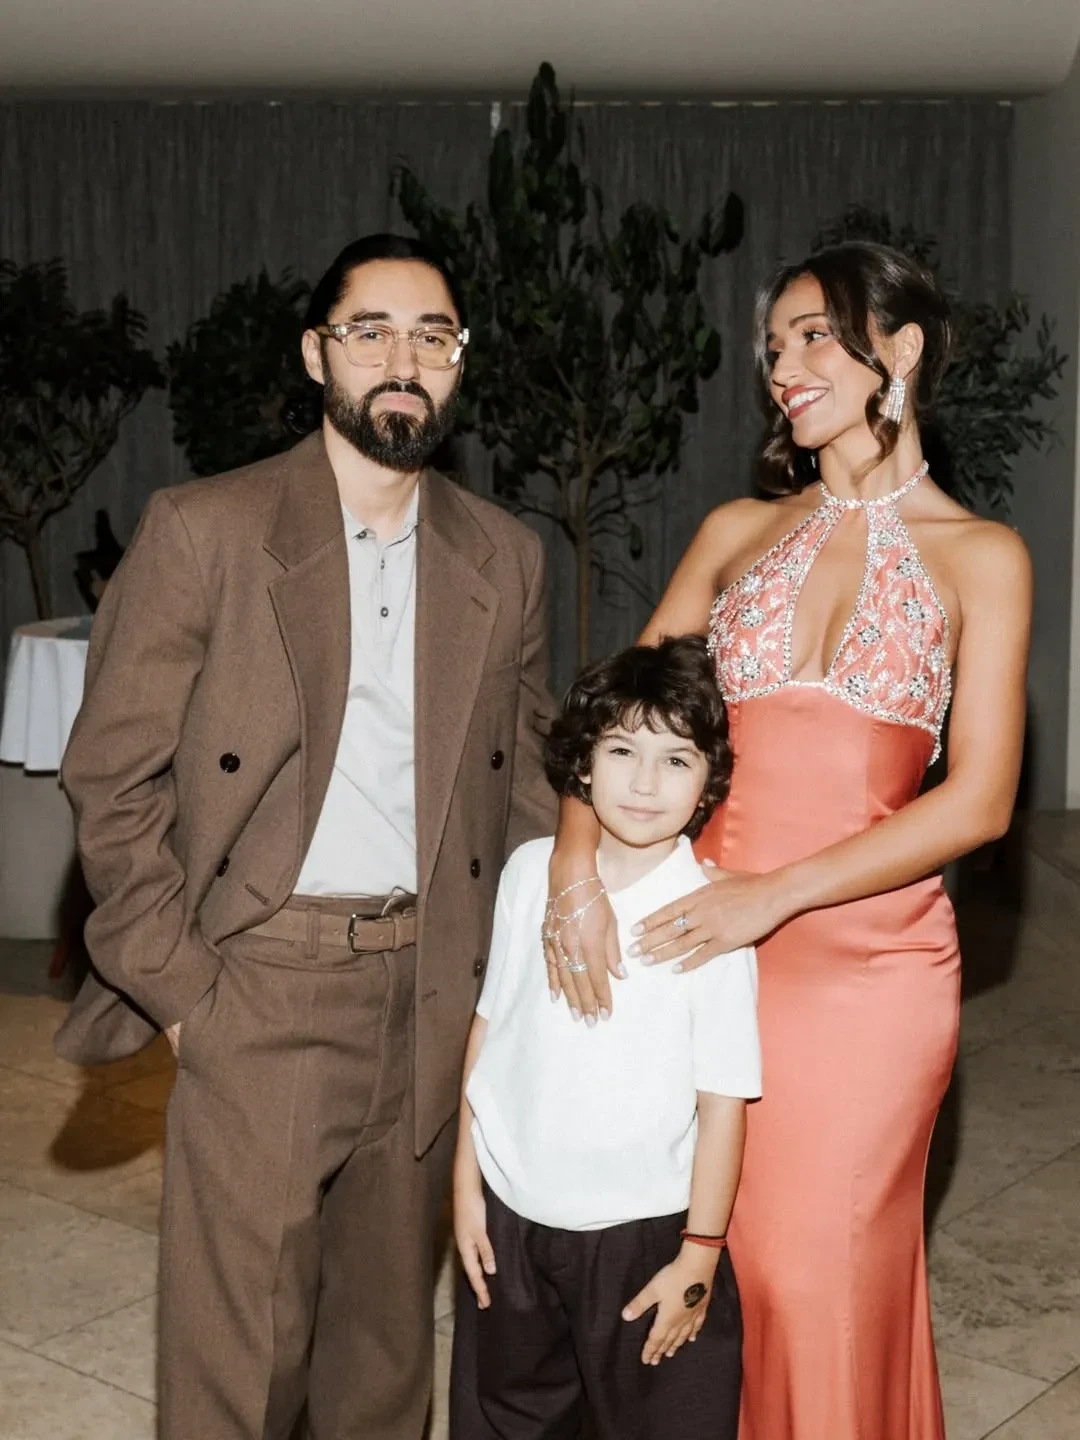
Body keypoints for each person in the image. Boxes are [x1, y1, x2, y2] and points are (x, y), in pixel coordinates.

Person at [55, 233, 557, 1440]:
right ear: (315, 353)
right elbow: (112, 774)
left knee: (384, 1358)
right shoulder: (207, 530)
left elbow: (533, 789)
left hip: (433, 985)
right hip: (262, 982)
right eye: (370, 332)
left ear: (459, 364)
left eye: (432, 337)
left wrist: (521, 982)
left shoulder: (504, 557)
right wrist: (185, 994)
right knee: (240, 1365)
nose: (403, 361)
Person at [544, 242, 1032, 1439]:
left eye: (814, 335)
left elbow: (980, 802)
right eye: (774, 347)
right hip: (701, 951)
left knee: (821, 1279)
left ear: (898, 350)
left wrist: (775, 895)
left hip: (869, 976)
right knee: (709, 1280)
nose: (783, 366)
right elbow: (616, 719)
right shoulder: (735, 531)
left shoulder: (984, 558)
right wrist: (572, 874)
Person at [450, 637, 762, 1440]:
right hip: (513, 1215)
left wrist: (700, 1254)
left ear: (709, 781)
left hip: (643, 1231)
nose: (646, 782)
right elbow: (489, 1029)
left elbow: (724, 1104)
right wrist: (465, 1187)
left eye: (675, 759)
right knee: (510, 1417)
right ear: (582, 766)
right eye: (622, 750)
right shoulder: (531, 874)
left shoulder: (711, 917)